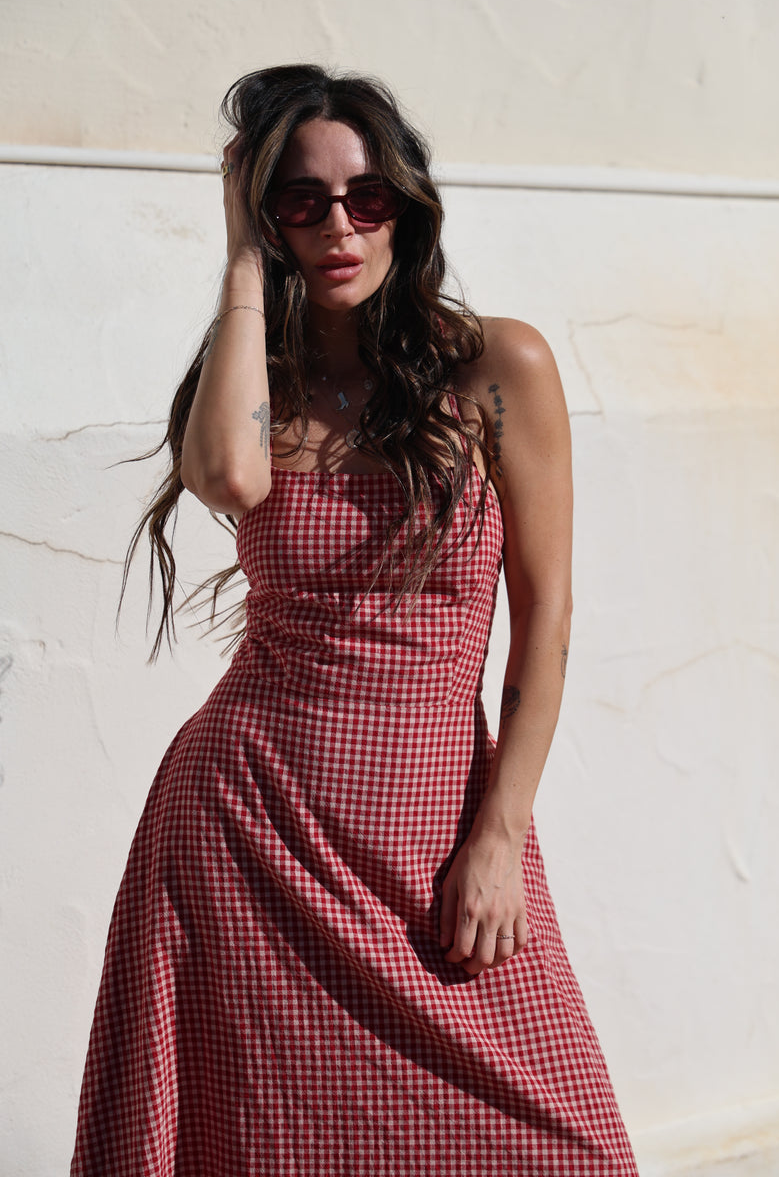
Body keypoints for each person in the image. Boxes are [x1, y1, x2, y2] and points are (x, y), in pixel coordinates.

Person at [71, 64, 639, 1176]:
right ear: (267, 216)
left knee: (559, 1141)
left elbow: (546, 616)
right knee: (257, 1139)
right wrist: (238, 257)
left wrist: (499, 835)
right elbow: (229, 480)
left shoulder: (494, 365)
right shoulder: (251, 383)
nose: (339, 226)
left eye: (365, 198)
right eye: (299, 201)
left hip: (431, 825)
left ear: (405, 209)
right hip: (247, 826)